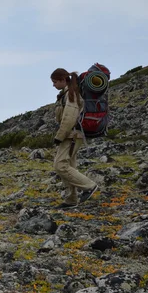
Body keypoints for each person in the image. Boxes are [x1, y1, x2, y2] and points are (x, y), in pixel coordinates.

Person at [50, 68, 98, 209]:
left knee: (60, 165)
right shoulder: (67, 93)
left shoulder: (71, 95)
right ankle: (71, 200)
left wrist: (59, 136)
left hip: (71, 135)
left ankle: (89, 186)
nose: (53, 85)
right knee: (69, 166)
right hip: (72, 135)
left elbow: (69, 118)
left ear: (63, 80)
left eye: (54, 82)